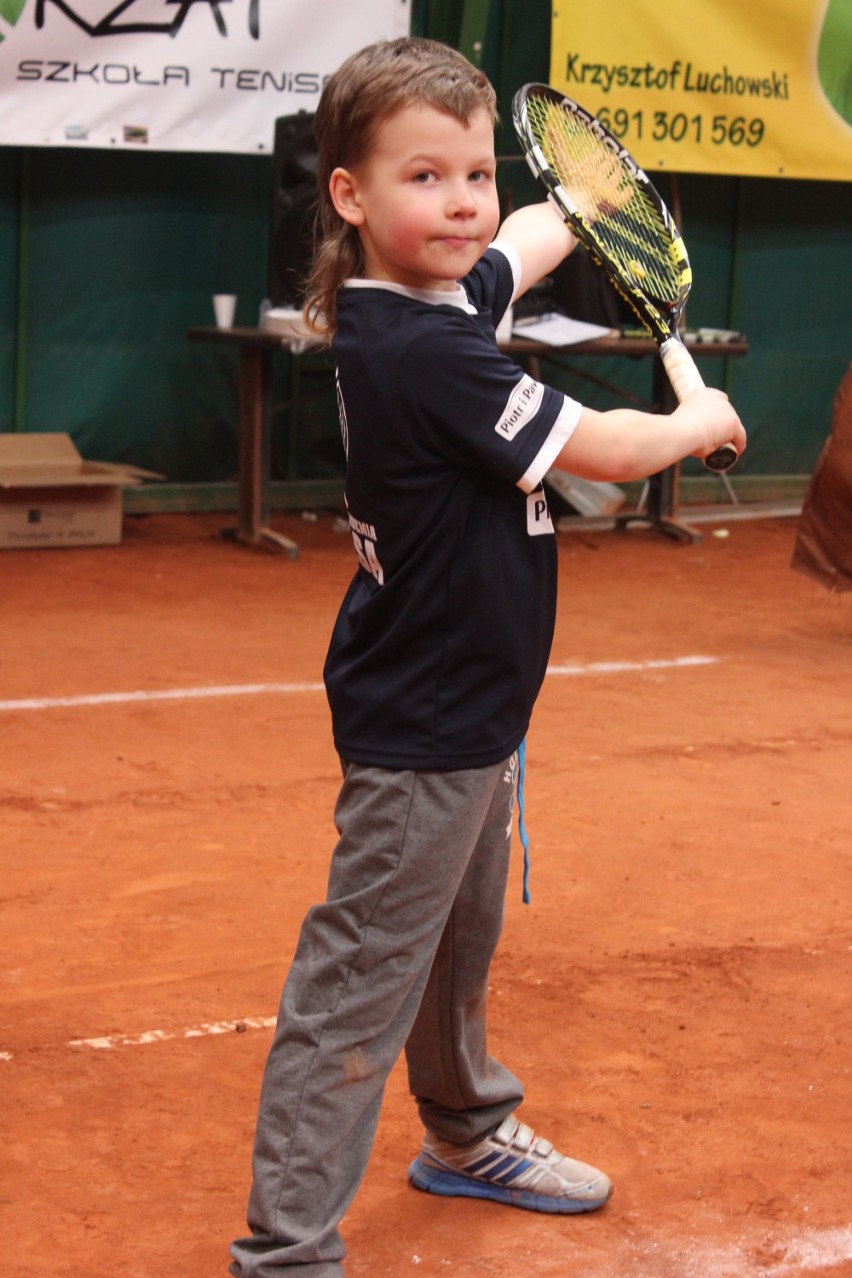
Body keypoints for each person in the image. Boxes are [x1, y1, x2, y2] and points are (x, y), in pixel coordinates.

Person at [229, 36, 746, 1278]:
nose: (462, 202)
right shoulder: (428, 354)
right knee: (359, 978)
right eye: (426, 178)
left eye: (475, 172)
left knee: (457, 944)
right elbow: (609, 450)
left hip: (470, 698)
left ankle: (464, 1132)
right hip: (430, 718)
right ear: (349, 195)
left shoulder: (423, 304)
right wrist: (697, 424)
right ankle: (288, 1249)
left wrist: (582, 208)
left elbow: (512, 250)